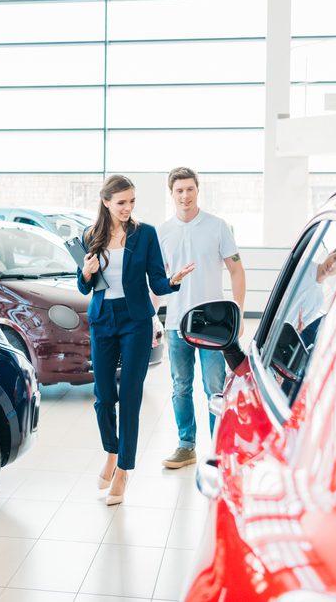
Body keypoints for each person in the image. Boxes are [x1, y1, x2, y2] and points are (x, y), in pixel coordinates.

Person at [78, 174, 194, 505]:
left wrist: (173, 281)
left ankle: (124, 470)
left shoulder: (145, 234)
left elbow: (157, 282)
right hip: (103, 320)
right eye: (121, 202)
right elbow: (85, 287)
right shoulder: (91, 236)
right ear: (106, 202)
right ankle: (111, 452)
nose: (128, 208)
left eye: (132, 202)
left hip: (136, 322)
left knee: (129, 396)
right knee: (102, 396)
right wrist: (85, 273)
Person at [157, 167, 246, 470]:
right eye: (179, 190)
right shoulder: (162, 232)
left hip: (212, 323)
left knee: (215, 387)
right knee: (181, 386)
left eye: (190, 189)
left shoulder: (218, 226)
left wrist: (239, 311)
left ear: (197, 190)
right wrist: (151, 318)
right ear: (172, 194)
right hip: (175, 323)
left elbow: (236, 269)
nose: (185, 196)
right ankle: (186, 446)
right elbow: (157, 281)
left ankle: (219, 448)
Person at [284, 246, 336, 334]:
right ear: (331, 252)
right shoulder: (302, 266)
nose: (332, 265)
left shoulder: (319, 299)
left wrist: (300, 329)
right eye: (334, 258)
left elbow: (302, 327)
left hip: (282, 336)